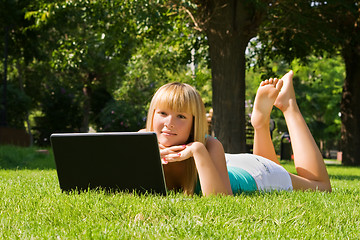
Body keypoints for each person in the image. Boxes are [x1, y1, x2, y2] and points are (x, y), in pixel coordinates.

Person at [141, 70, 331, 196]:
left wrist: (198, 150)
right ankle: (260, 124)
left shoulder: (209, 145)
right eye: (163, 113)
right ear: (152, 114)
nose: (169, 123)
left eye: (181, 116)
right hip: (228, 163)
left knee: (320, 187)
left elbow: (220, 201)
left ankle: (287, 104)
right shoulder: (142, 142)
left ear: (194, 123)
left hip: (256, 174)